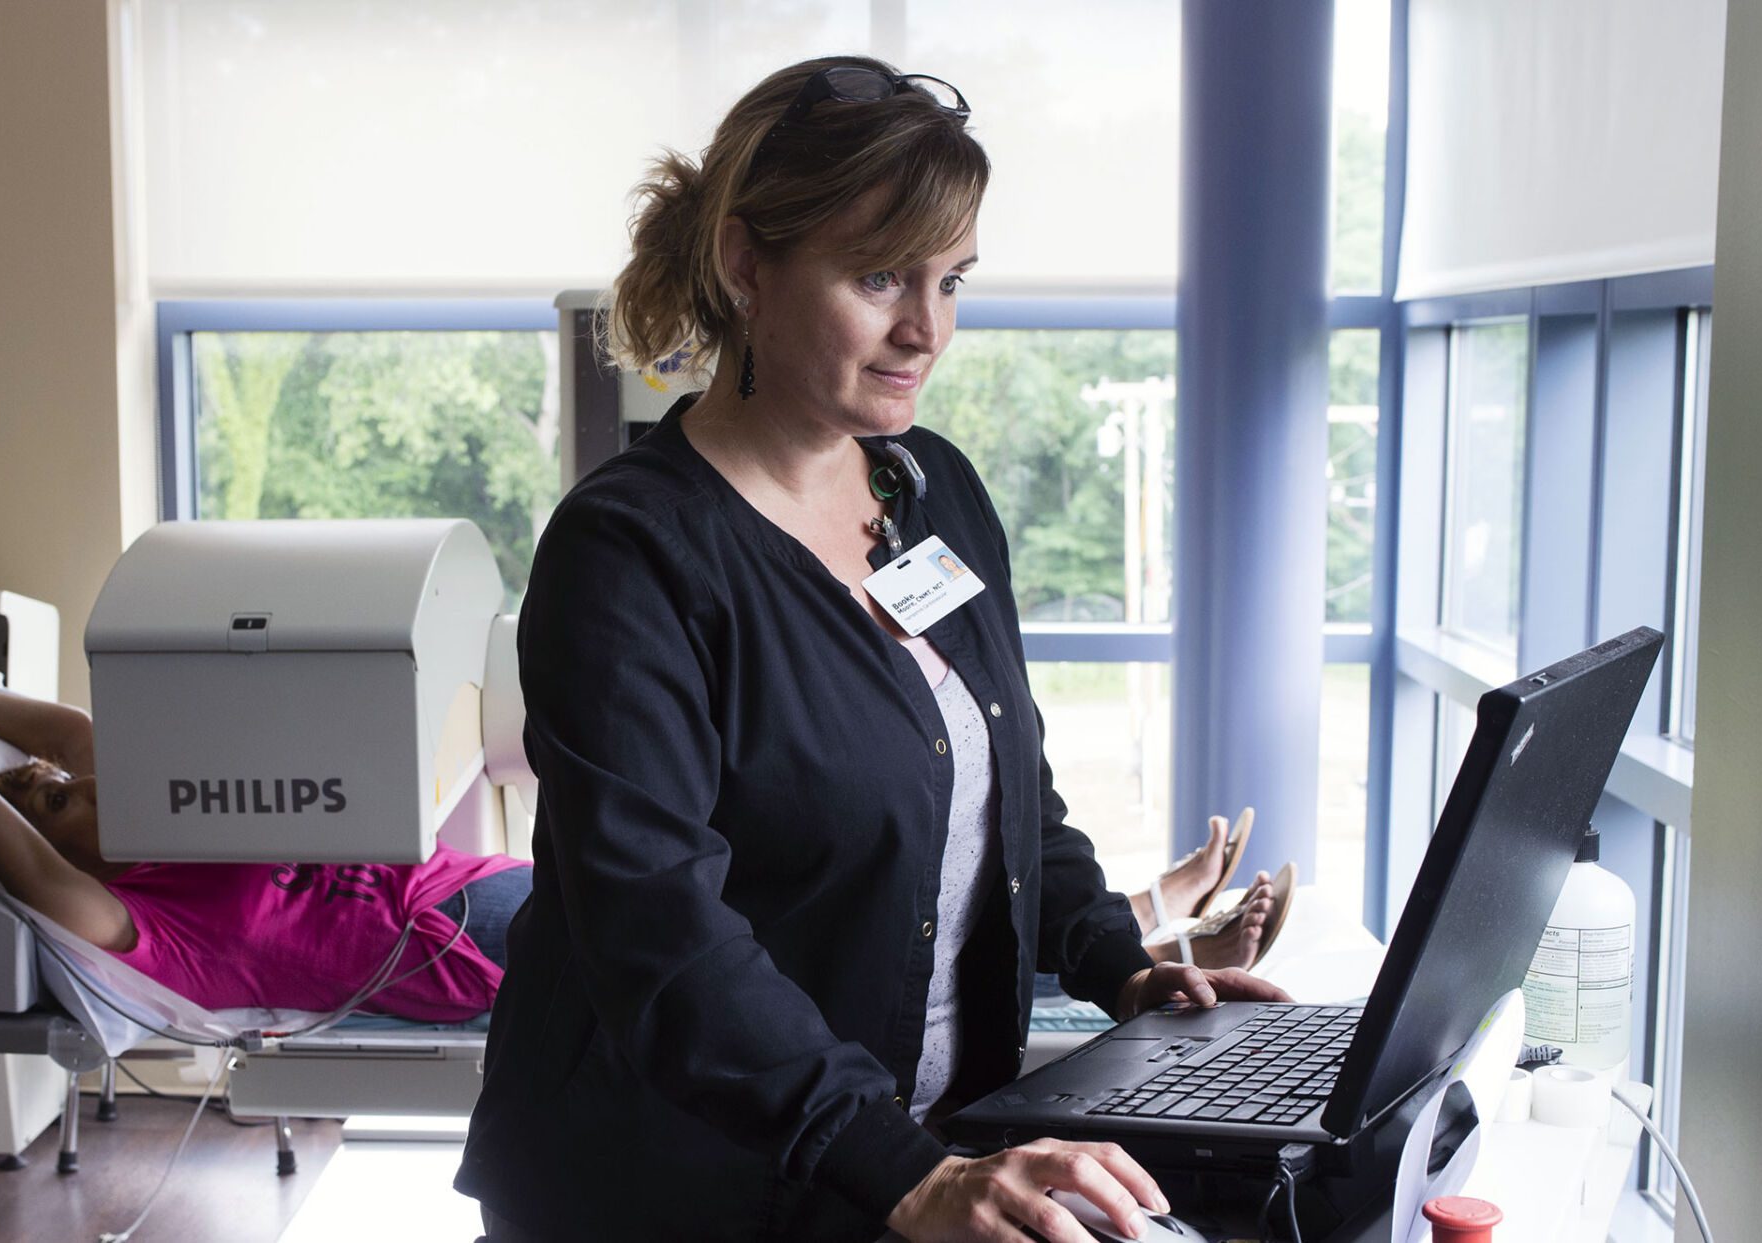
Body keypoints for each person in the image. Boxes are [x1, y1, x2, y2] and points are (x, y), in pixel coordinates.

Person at [456, 57, 1291, 1243]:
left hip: (920, 1164)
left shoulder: (929, 487)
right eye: (880, 276)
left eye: (953, 280)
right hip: (678, 1192)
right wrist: (901, 1167)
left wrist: (1124, 970)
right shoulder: (630, 554)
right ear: (747, 265)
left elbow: (1014, 800)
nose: (927, 329)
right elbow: (661, 938)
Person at [0, 663, 530, 1022]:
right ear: (49, 847)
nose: (88, 781)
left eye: (64, 778)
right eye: (58, 798)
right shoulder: (133, 924)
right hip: (463, 946)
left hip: (484, 878)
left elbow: (71, 731)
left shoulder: (157, 819)